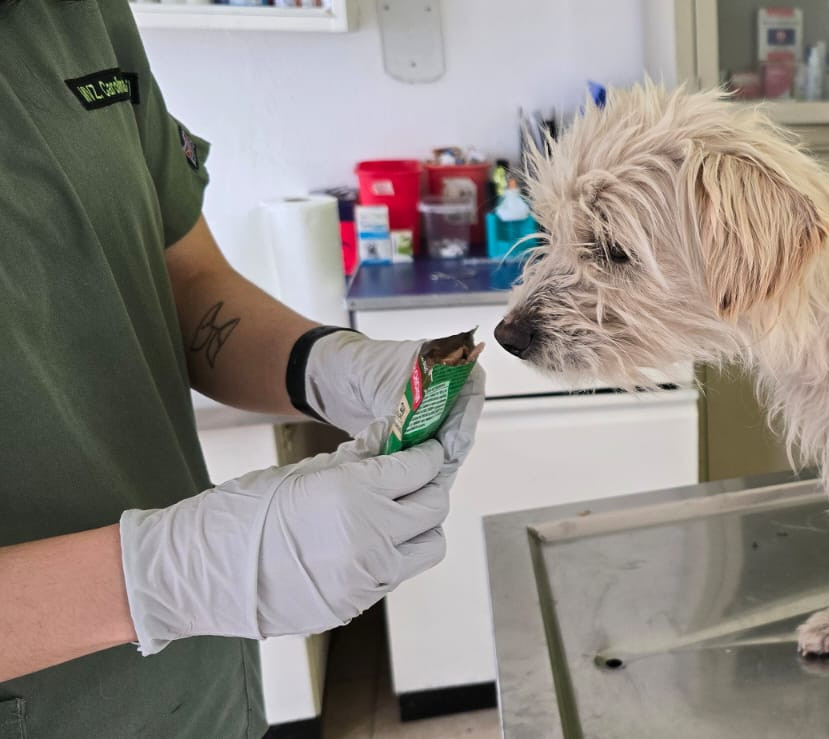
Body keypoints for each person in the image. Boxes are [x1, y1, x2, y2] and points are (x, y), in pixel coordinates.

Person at [0, 1, 487, 735]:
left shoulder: (80, 17)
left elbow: (185, 285)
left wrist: (326, 366)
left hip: (200, 692)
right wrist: (165, 574)